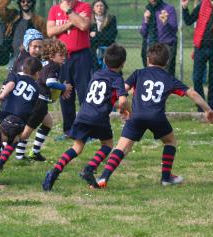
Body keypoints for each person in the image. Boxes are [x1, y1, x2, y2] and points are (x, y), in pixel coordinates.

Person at [93, 43, 213, 188]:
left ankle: (103, 178)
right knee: (170, 141)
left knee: (121, 147)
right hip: (156, 117)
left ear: (147, 59)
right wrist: (208, 110)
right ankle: (166, 178)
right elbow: (192, 93)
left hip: (136, 116)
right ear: (167, 62)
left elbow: (122, 90)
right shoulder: (169, 78)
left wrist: (118, 106)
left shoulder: (138, 73)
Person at [42, 44, 129, 191]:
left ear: (105, 61)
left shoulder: (96, 74)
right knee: (107, 145)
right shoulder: (117, 78)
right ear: (123, 63)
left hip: (83, 114)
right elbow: (122, 101)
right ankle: (89, 168)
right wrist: (126, 110)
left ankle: (54, 172)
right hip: (99, 117)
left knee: (77, 147)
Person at [14, 39, 72, 161]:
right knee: (25, 132)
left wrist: (60, 92)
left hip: (34, 99)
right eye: (61, 55)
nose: (64, 57)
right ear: (52, 55)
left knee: (48, 123)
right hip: (39, 102)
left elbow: (43, 81)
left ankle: (34, 152)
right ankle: (8, 153)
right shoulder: (55, 66)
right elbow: (50, 82)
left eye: (65, 55)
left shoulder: (45, 63)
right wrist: (63, 87)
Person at [47, 0, 93, 139]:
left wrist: (68, 11)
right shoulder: (54, 10)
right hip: (62, 57)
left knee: (85, 93)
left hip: (81, 56)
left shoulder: (84, 6)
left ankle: (87, 131)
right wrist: (72, 22)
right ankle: (69, 130)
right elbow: (50, 31)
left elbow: (84, 25)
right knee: (65, 93)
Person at [0, 57, 42, 168]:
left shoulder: (14, 75)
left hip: (6, 110)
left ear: (23, 68)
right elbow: (33, 105)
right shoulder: (36, 87)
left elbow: (11, 85)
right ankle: (0, 162)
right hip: (21, 115)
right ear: (38, 73)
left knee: (1, 134)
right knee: (14, 139)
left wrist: (1, 96)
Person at [182, 0, 213, 111]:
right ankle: (202, 108)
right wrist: (185, 8)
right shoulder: (203, 4)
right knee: (197, 79)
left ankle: (211, 109)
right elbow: (189, 21)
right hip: (200, 48)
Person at [0, 0, 47, 66]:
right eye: (23, 1)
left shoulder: (39, 21)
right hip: (14, 56)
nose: (25, 3)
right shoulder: (13, 16)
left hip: (33, 58)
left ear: (33, 3)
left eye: (28, 2)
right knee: (14, 75)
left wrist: (28, 46)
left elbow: (46, 38)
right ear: (19, 2)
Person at [140, 0, 178, 76]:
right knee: (151, 75)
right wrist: (146, 20)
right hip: (151, 47)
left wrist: (165, 23)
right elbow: (143, 33)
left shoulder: (169, 9)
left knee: (165, 75)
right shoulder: (148, 10)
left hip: (166, 47)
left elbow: (174, 29)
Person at [89, 0, 118, 71]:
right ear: (93, 8)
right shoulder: (89, 20)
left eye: (101, 6)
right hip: (93, 51)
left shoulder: (111, 19)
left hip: (107, 50)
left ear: (105, 7)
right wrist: (101, 35)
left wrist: (96, 35)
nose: (99, 8)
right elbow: (88, 38)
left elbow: (111, 36)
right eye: (97, 6)